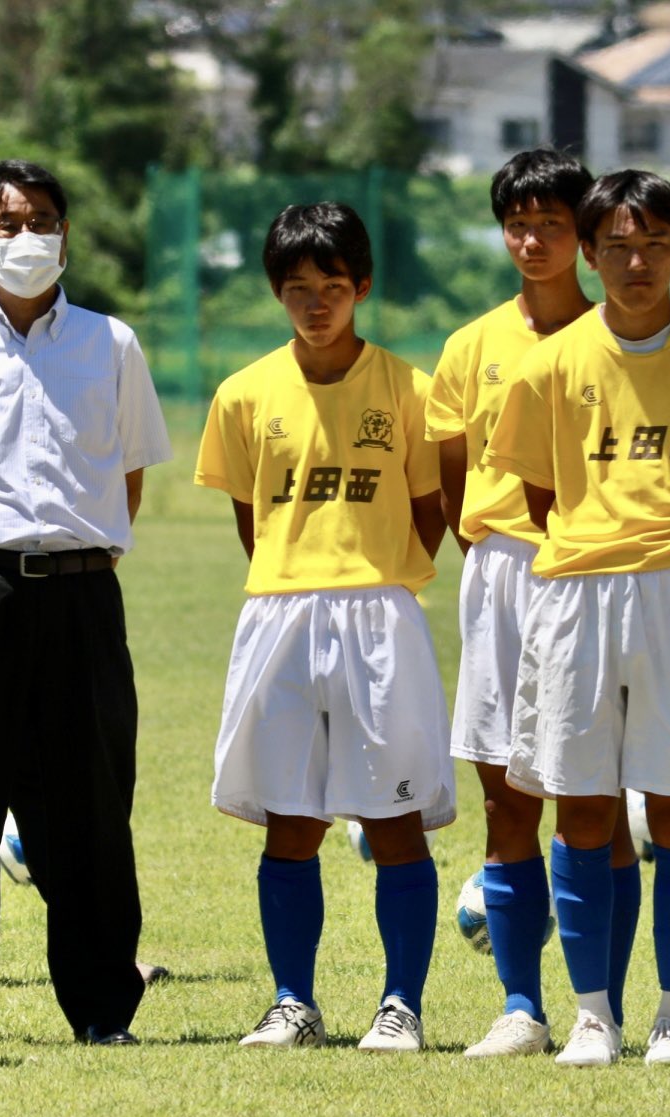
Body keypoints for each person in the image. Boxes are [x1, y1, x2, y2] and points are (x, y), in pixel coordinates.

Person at [486, 170, 670, 1067]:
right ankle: (593, 1016)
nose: (636, 261)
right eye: (617, 245)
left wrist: (663, 552)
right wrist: (603, 546)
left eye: (653, 244)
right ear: (592, 252)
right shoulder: (550, 363)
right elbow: (538, 493)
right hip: (574, 595)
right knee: (582, 807)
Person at [0, 159, 167, 1047]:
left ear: (66, 235)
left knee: (91, 801)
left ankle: (99, 1004)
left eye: (41, 220)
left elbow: (127, 475)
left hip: (84, 595)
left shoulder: (111, 344)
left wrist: (71, 544)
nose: (24, 238)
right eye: (5, 223)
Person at [196, 202, 452, 1053]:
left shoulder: (410, 389)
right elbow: (251, 517)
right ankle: (292, 1001)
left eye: (333, 287)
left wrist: (369, 575)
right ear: (277, 292)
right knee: (291, 816)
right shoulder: (242, 395)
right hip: (279, 610)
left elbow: (430, 514)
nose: (317, 303)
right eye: (299, 288)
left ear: (363, 288)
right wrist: (297, 575)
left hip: (381, 611)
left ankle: (400, 1004)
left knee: (394, 817)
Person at [427, 148, 641, 1058]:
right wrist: (491, 551)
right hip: (504, 571)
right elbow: (449, 476)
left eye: (553, 223)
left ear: (586, 237)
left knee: (597, 796)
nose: (533, 239)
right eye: (518, 222)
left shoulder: (620, 339)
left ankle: (606, 1006)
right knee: (507, 795)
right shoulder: (471, 346)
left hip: (596, 572)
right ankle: (521, 1004)